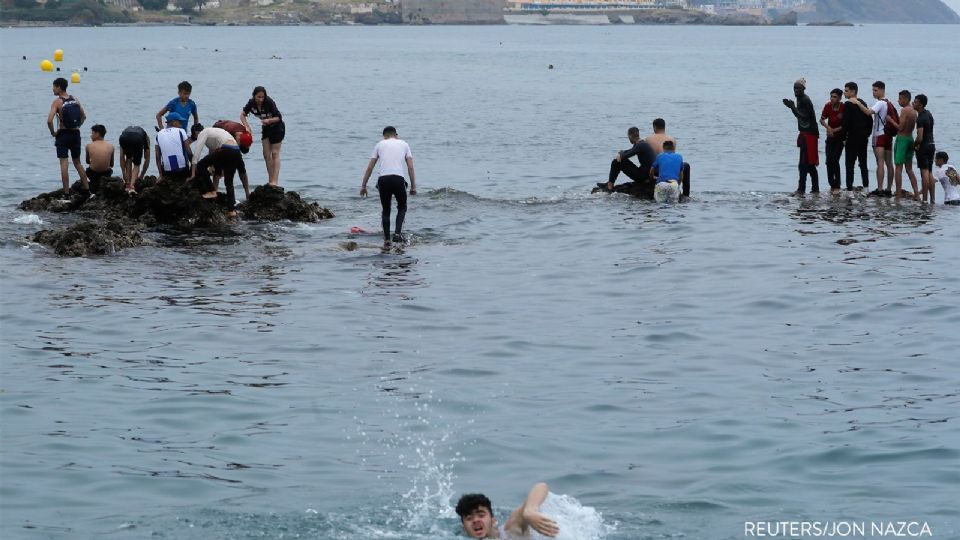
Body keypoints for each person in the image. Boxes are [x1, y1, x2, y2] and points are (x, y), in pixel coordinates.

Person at [360, 126, 417, 244]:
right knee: (402, 207)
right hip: (398, 179)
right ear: (396, 135)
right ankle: (397, 234)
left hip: (383, 180)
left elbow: (370, 167)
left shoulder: (379, 144)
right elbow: (410, 167)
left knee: (386, 210)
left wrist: (364, 186)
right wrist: (413, 186)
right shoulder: (404, 144)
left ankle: (386, 239)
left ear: (384, 136)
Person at [456, 483, 560, 539]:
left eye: (481, 515)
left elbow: (541, 487)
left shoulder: (511, 530)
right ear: (464, 528)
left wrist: (529, 512)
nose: (475, 520)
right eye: (469, 518)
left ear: (493, 521)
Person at [847, 81, 897, 196]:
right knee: (889, 163)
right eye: (873, 90)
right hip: (888, 136)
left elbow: (869, 112)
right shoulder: (888, 102)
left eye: (875, 90)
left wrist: (858, 103)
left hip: (879, 135)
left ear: (881, 90)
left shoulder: (880, 103)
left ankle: (880, 189)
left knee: (880, 162)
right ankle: (888, 189)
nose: (873, 93)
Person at [46, 76, 89, 192]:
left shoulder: (57, 102)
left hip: (63, 135)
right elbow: (84, 116)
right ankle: (87, 189)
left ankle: (66, 193)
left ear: (59, 87)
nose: (53, 89)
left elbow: (49, 120)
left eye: (54, 87)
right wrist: (77, 126)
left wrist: (53, 132)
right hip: (75, 134)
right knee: (78, 162)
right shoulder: (75, 99)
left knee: (64, 164)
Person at [190, 124, 250, 204]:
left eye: (196, 137)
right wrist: (212, 167)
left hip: (225, 149)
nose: (197, 139)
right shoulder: (212, 132)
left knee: (201, 165)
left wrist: (193, 174)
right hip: (235, 149)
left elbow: (196, 154)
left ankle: (212, 191)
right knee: (229, 180)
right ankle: (232, 208)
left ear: (196, 133)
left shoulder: (203, 133)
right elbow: (213, 153)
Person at [782, 78, 819, 195]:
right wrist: (791, 108)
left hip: (810, 134)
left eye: (798, 88)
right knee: (806, 163)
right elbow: (798, 116)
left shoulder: (805, 99)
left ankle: (803, 189)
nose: (796, 90)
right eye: (794, 88)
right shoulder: (799, 99)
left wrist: (793, 107)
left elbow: (805, 116)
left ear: (803, 89)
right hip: (805, 133)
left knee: (806, 163)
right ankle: (813, 189)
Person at [241, 86, 284, 186]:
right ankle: (270, 180)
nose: (260, 99)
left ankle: (275, 181)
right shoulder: (251, 103)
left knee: (274, 153)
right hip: (266, 129)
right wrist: (247, 127)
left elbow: (279, 117)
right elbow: (242, 115)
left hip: (277, 127)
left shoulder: (269, 102)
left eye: (262, 97)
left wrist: (269, 120)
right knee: (266, 154)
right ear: (254, 96)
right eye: (258, 97)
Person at [190, 147, 247, 217]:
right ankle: (230, 206)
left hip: (223, 153)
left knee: (226, 180)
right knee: (227, 181)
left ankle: (227, 202)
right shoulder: (218, 158)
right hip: (222, 153)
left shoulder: (220, 160)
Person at [645, 118, 691, 199]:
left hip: (655, 171)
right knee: (686, 165)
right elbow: (672, 158)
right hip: (671, 175)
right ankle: (686, 194)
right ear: (664, 127)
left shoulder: (648, 139)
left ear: (654, 127)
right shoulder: (672, 139)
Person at [602, 126, 655, 193]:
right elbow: (628, 151)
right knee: (619, 160)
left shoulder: (640, 145)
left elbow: (626, 155)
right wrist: (620, 153)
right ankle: (610, 183)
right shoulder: (641, 144)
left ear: (630, 136)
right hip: (645, 174)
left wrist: (620, 154)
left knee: (616, 162)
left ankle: (610, 185)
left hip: (643, 176)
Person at [840, 82, 871, 191]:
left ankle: (849, 189)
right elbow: (869, 120)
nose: (844, 92)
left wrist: (843, 138)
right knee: (863, 163)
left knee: (850, 164)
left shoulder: (848, 104)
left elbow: (845, 123)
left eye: (846, 90)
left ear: (853, 91)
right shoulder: (862, 103)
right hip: (863, 137)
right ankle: (866, 187)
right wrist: (867, 134)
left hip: (852, 137)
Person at [889, 90, 919, 199]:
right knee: (909, 169)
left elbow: (900, 127)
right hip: (910, 138)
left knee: (898, 168)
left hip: (902, 139)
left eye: (900, 99)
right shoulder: (914, 111)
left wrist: (891, 120)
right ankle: (917, 194)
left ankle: (898, 193)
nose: (898, 101)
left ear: (906, 99)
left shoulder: (904, 110)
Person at [819, 88, 845, 193]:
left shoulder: (843, 107)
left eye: (835, 97)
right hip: (830, 137)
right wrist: (828, 128)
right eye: (831, 96)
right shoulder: (828, 106)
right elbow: (821, 119)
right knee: (828, 161)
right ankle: (832, 184)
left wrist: (835, 130)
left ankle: (837, 184)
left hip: (840, 138)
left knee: (835, 160)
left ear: (839, 98)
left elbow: (845, 124)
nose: (832, 99)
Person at [155, 112, 192, 181]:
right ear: (173, 122)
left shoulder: (159, 134)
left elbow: (157, 157)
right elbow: (189, 152)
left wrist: (161, 175)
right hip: (182, 170)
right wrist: (193, 169)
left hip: (167, 171)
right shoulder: (181, 131)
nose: (181, 124)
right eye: (179, 122)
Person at [913, 94, 936, 204]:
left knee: (924, 172)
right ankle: (932, 199)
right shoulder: (929, 114)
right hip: (932, 144)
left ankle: (925, 200)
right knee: (930, 172)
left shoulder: (920, 118)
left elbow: (920, 137)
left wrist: (913, 145)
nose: (913, 103)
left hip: (924, 146)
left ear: (921, 105)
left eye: (915, 102)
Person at [118, 125, 150, 193]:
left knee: (128, 158)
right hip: (137, 139)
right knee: (136, 164)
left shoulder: (125, 131)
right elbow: (147, 158)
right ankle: (131, 187)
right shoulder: (145, 137)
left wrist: (124, 173)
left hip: (124, 137)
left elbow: (121, 156)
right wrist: (142, 175)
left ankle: (127, 184)